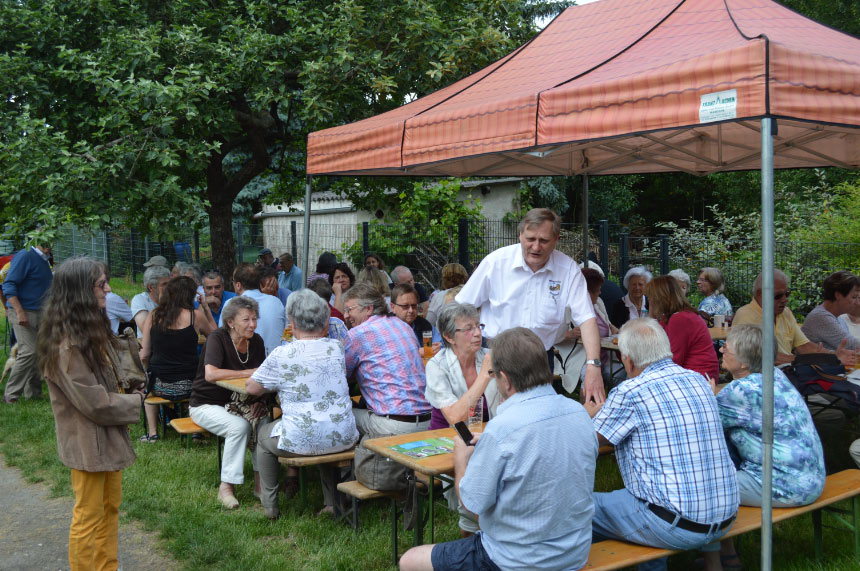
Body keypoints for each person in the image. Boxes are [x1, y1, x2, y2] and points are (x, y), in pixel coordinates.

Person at [399, 327, 598, 571]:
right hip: (574, 553)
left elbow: (472, 503)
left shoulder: (501, 430)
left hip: (516, 560)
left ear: (505, 378)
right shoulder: (579, 413)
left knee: (410, 560)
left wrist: (461, 460)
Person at [585, 318, 738, 571]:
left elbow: (588, 439)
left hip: (674, 525)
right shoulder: (698, 380)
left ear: (627, 361)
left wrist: (586, 414)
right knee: (650, 498)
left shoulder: (630, 392)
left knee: (576, 509)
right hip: (725, 518)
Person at [38, 257, 144, 570]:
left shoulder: (91, 329)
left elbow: (112, 374)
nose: (108, 289)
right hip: (87, 443)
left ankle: (106, 566)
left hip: (108, 435)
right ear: (80, 291)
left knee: (110, 507)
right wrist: (137, 402)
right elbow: (94, 403)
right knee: (88, 514)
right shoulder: (67, 345)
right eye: (101, 284)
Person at [704, 324, 825, 569]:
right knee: (723, 454)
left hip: (785, 486)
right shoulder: (776, 376)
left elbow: (701, 427)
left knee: (703, 488)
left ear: (744, 363)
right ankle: (728, 553)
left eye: (727, 346)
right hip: (812, 479)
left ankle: (714, 562)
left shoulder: (740, 390)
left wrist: (708, 397)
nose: (721, 349)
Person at [456, 208, 605, 404]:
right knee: (492, 415)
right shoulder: (496, 263)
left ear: (556, 239)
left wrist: (593, 366)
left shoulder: (568, 269)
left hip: (540, 359)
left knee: (538, 415)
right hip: (495, 356)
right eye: (530, 239)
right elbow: (462, 309)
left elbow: (586, 319)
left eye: (543, 240)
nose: (536, 247)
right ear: (520, 235)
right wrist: (463, 353)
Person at [247, 290, 359, 519]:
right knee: (324, 430)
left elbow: (252, 388)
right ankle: (331, 503)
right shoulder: (336, 348)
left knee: (263, 438)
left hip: (301, 439)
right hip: (343, 436)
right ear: (325, 322)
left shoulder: (282, 353)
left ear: (293, 323)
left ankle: (270, 506)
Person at [343, 283, 432, 489]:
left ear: (368, 309)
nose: (346, 315)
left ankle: (342, 481)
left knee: (339, 414)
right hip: (427, 420)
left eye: (349, 309)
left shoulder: (358, 334)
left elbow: (342, 375)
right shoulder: (403, 326)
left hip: (394, 425)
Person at [424, 302, 500, 537]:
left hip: (487, 435)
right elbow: (455, 417)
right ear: (449, 337)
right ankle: (474, 536)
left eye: (478, 326)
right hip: (449, 438)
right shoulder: (437, 365)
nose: (477, 333)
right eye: (468, 329)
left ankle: (493, 533)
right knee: (474, 474)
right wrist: (485, 376)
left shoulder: (488, 357)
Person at [190, 296, 268, 509]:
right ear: (231, 322)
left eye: (254, 319)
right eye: (246, 319)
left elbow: (263, 378)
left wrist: (260, 400)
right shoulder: (217, 338)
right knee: (239, 427)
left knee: (262, 421)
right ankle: (226, 487)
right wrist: (248, 372)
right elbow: (211, 374)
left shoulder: (257, 342)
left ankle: (261, 484)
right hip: (206, 404)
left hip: (240, 403)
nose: (252, 324)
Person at [138, 276, 216, 441]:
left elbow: (144, 354)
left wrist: (146, 373)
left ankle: (153, 433)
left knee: (147, 383)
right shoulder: (195, 316)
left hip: (159, 385)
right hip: (190, 386)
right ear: (190, 295)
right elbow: (216, 338)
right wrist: (206, 308)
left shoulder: (154, 315)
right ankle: (196, 430)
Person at [733, 270, 856, 367]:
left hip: (787, 374)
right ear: (761, 294)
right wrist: (810, 360)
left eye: (787, 294)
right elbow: (764, 357)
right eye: (778, 295)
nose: (784, 300)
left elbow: (804, 346)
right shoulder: (746, 315)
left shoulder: (785, 313)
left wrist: (833, 355)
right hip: (760, 381)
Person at [2, 242, 52, 403]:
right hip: (23, 312)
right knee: (28, 351)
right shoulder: (25, 255)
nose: (49, 245)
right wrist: (19, 311)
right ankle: (10, 395)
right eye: (46, 241)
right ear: (37, 240)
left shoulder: (44, 259)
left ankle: (34, 394)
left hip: (40, 312)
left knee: (38, 352)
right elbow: (8, 284)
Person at [645, 275, 719, 381]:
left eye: (650, 297)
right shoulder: (675, 315)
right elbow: (652, 335)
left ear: (659, 298)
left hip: (699, 378)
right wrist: (652, 314)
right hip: (696, 374)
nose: (649, 301)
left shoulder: (680, 318)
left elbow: (672, 360)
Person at [558, 268, 617, 390]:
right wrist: (569, 334)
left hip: (607, 355)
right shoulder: (565, 307)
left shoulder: (598, 303)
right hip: (580, 357)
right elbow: (547, 336)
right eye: (597, 290)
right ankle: (588, 402)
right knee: (589, 376)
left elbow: (609, 325)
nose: (600, 293)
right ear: (586, 292)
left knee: (623, 373)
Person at [219, 263, 285, 354]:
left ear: (238, 285)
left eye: (233, 281)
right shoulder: (276, 302)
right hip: (275, 358)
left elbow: (222, 336)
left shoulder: (231, 304)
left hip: (244, 360)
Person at [801, 270, 860, 352]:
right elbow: (851, 345)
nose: (857, 303)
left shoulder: (837, 317)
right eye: (854, 297)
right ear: (838, 295)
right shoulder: (821, 317)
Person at [390, 283, 440, 347]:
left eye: (414, 306)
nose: (411, 310)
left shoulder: (424, 325)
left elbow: (438, 345)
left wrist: (434, 348)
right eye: (405, 306)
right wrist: (418, 352)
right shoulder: (385, 329)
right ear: (393, 307)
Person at [130, 266, 170, 338]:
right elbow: (147, 330)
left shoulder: (174, 298)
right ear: (150, 287)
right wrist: (163, 305)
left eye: (170, 283)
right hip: (149, 344)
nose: (169, 287)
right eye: (164, 284)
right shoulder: (139, 300)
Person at [426, 263, 469, 328]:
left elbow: (429, 322)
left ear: (444, 279)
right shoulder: (471, 294)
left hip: (444, 332)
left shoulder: (439, 296)